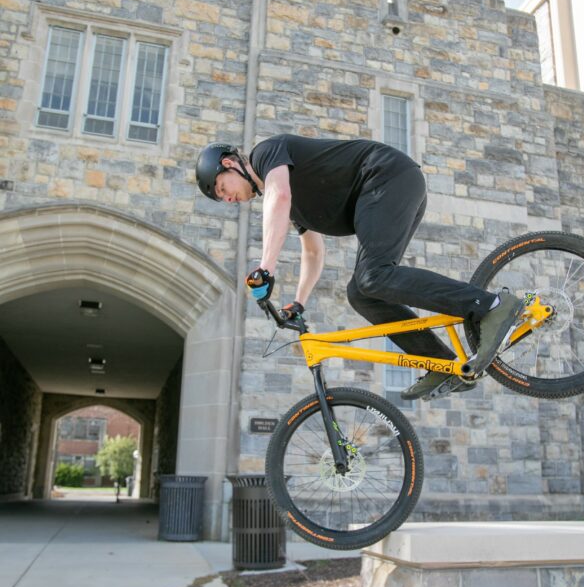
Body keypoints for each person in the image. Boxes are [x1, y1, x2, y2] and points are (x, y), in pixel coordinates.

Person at [195, 135, 523, 400]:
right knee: (362, 292)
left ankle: (491, 305)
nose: (228, 199)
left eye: (222, 189)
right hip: (386, 190)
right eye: (222, 198)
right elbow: (312, 252)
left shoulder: (266, 154)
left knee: (373, 275)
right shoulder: (293, 203)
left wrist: (266, 266)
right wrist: (299, 302)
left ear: (229, 164)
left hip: (387, 177)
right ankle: (440, 363)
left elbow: (277, 197)